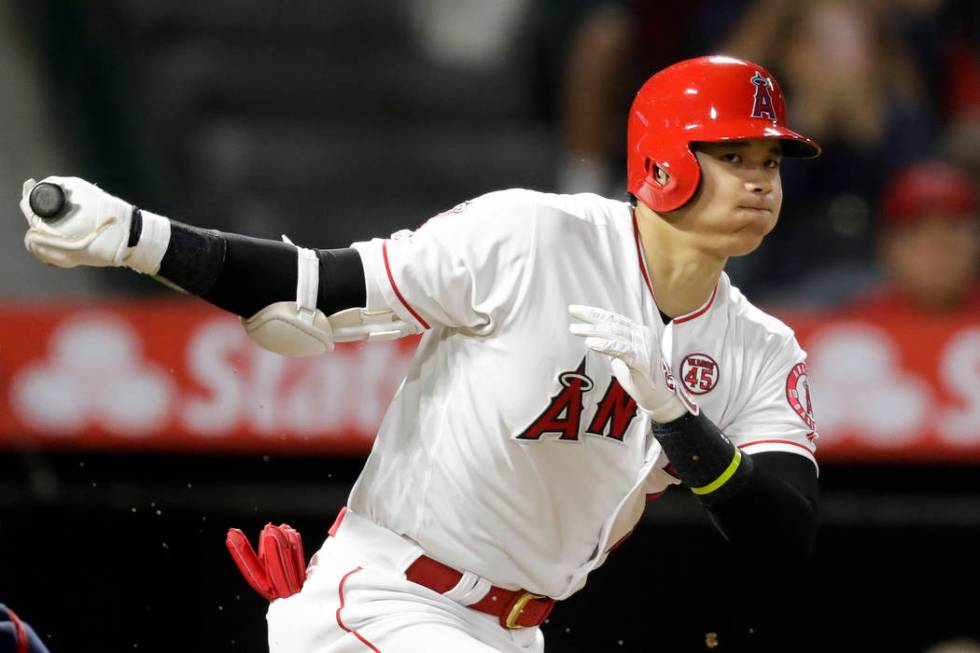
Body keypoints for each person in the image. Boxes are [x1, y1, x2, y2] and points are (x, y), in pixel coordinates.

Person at [19, 56, 821, 652]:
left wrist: (678, 419)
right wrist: (136, 236)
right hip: (394, 597)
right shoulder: (531, 236)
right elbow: (314, 288)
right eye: (734, 155)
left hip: (515, 630)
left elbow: (782, 532)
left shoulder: (757, 347)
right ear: (664, 160)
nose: (759, 180)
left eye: (771, 161)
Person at [860, 159, 978, 314]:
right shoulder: (853, 331)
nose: (939, 250)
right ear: (888, 246)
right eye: (919, 234)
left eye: (953, 230)